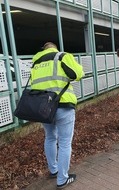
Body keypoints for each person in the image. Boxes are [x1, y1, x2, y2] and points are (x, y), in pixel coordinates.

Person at [31, 42, 83, 189]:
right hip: (63, 105)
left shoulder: (36, 61)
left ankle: (53, 170)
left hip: (44, 108)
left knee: (50, 137)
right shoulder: (61, 56)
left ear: (44, 49)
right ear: (55, 48)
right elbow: (77, 74)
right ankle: (62, 179)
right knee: (65, 142)